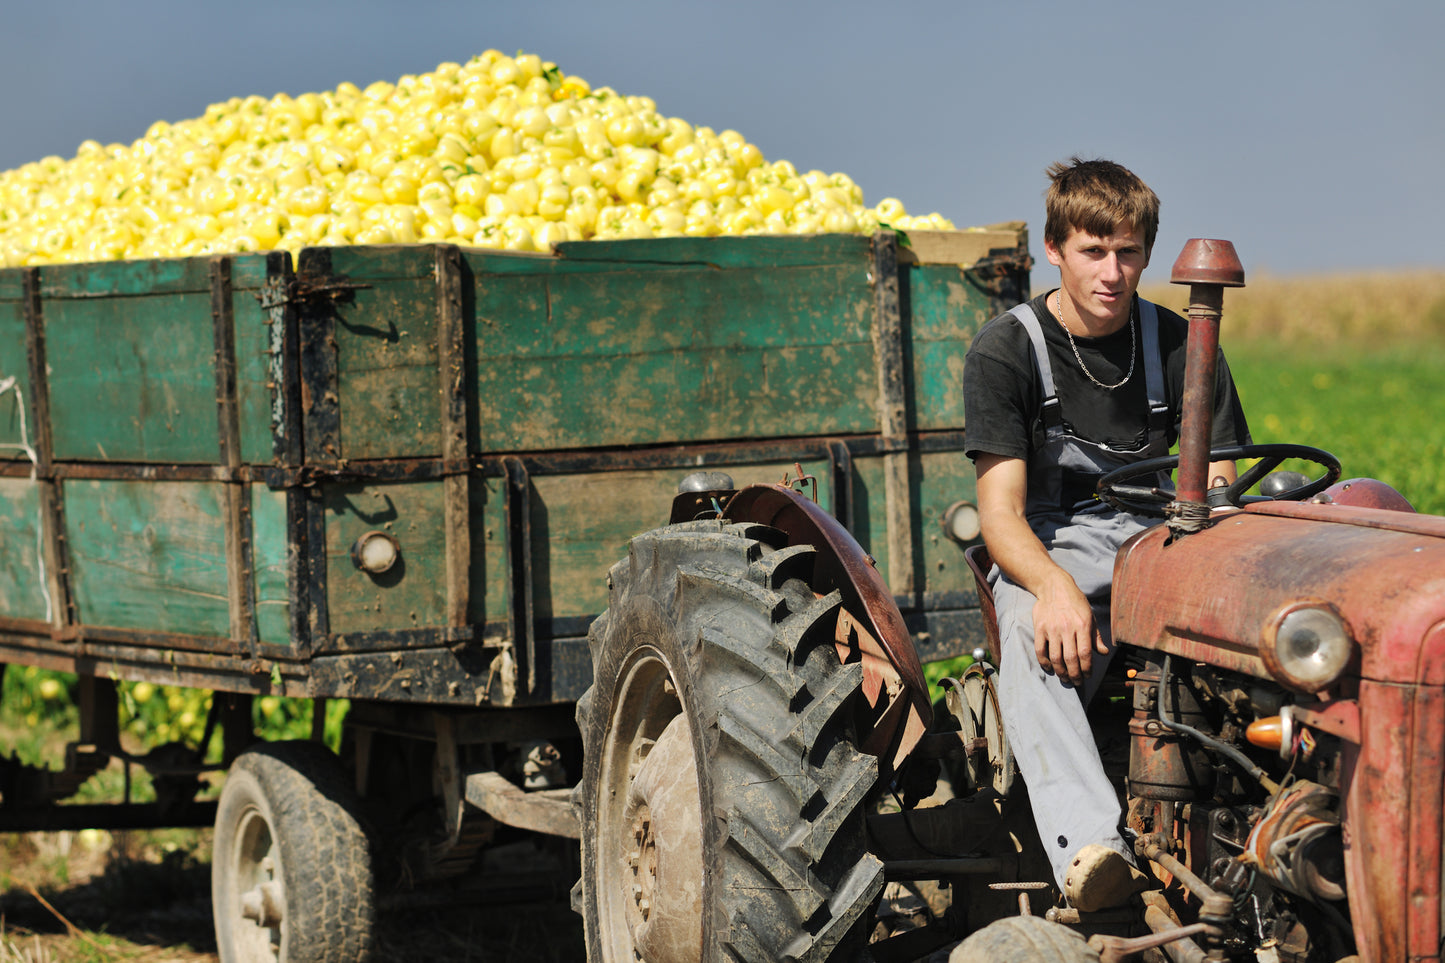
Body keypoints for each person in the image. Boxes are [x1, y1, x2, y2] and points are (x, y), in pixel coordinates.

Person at [962, 157, 1251, 911]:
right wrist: (1053, 587)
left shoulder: (1183, 342)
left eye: (1126, 252)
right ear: (1055, 250)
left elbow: (1219, 483)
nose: (1112, 272)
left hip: (1164, 541)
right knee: (1032, 630)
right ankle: (1093, 853)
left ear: (1146, 255)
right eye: (1093, 251)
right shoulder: (1009, 348)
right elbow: (1000, 513)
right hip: (1056, 543)